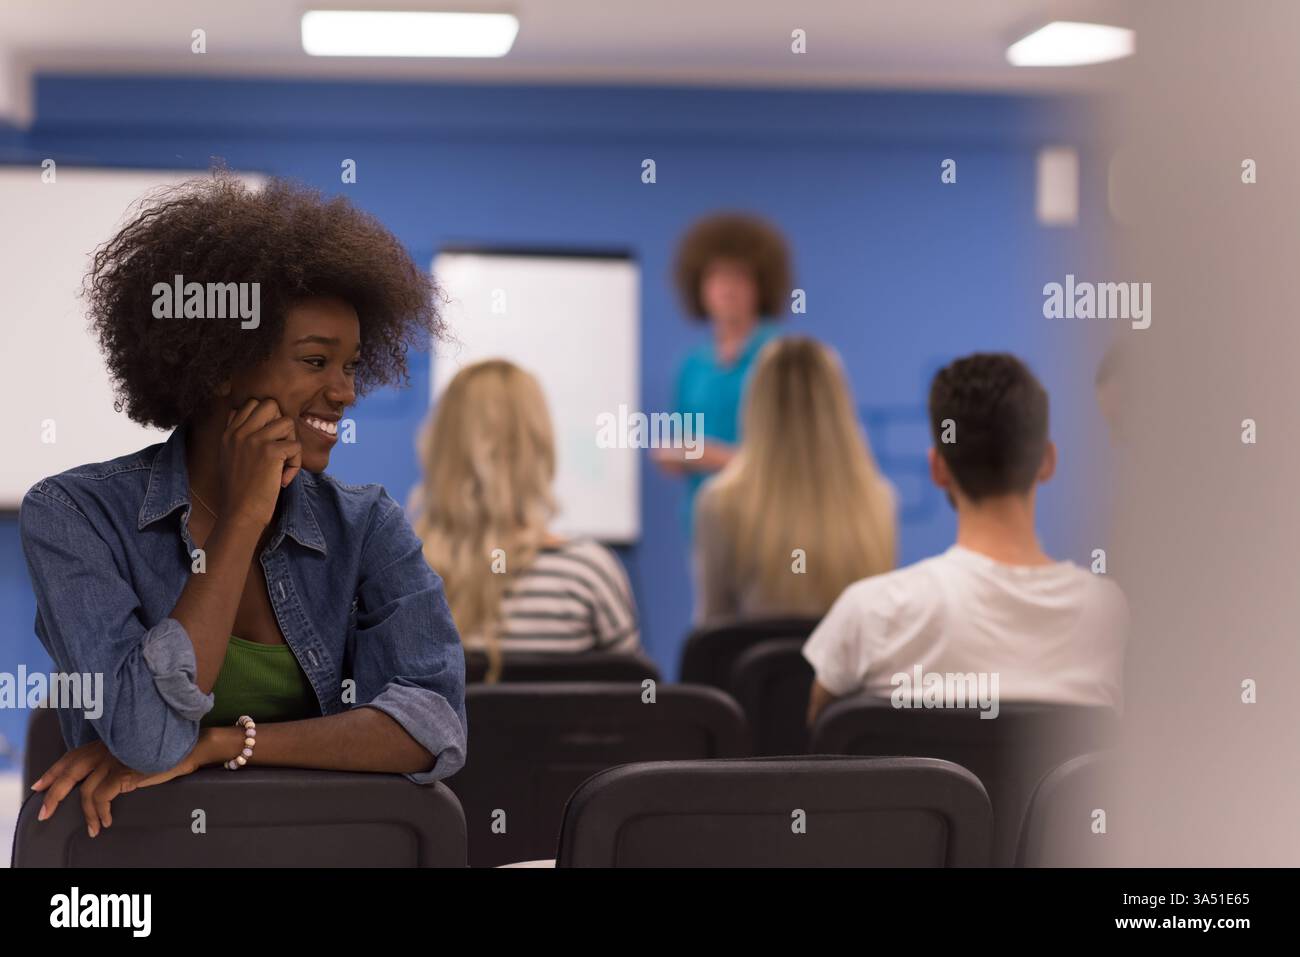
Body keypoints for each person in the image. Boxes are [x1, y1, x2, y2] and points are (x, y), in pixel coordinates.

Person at [19, 172, 466, 837]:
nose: (344, 393)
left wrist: (223, 743)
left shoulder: (367, 524)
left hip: (315, 852)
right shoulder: (75, 514)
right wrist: (241, 521)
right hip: (144, 863)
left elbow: (432, 725)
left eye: (350, 365)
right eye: (316, 361)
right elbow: (144, 736)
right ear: (222, 363)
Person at [803, 352, 1128, 726]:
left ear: (937, 468)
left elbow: (819, 751)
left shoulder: (872, 614)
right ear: (1048, 460)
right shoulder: (1109, 615)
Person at [411, 360, 639, 681]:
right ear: (539, 446)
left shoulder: (403, 577)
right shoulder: (586, 575)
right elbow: (632, 707)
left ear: (439, 446)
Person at [692, 337, 897, 622]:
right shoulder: (878, 499)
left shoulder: (719, 503)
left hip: (756, 667)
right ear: (838, 406)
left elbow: (712, 631)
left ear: (757, 404)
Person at [654, 212, 792, 529]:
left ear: (761, 285)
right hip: (704, 524)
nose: (728, 289)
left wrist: (713, 456)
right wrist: (675, 454)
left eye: (739, 277)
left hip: (769, 523)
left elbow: (792, 459)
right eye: (717, 277)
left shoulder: (780, 357)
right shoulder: (692, 365)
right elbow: (681, 445)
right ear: (699, 287)